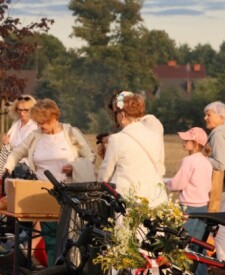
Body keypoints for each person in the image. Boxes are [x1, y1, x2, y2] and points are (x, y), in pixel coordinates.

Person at [4, 98, 95, 265]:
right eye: (38, 123)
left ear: (54, 118)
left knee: (70, 238)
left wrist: (74, 167)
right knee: (51, 239)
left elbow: (90, 156)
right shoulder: (35, 136)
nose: (40, 127)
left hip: (69, 193)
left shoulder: (70, 133)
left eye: (43, 123)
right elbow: (17, 153)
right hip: (44, 193)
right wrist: (8, 168)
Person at [98, 93, 167, 207]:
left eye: (116, 113)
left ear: (123, 115)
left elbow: (105, 175)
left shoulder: (116, 139)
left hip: (129, 200)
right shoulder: (154, 136)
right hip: (155, 199)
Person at [102, 91, 165, 177]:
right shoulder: (128, 130)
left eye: (117, 112)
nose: (115, 116)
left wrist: (114, 141)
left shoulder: (150, 121)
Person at [166, 127, 212, 242]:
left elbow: (178, 184)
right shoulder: (207, 161)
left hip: (188, 208)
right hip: (203, 208)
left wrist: (168, 183)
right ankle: (200, 260)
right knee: (198, 241)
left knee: (183, 241)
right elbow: (208, 186)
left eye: (186, 141)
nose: (183, 142)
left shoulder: (188, 160)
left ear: (195, 143)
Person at [204, 101, 225, 261]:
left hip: (219, 188)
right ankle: (224, 261)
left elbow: (221, 164)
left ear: (221, 117)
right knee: (220, 228)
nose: (205, 118)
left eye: (209, 114)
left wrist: (202, 159)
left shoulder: (218, 135)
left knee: (213, 226)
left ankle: (222, 262)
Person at [1, 94, 38, 173]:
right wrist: (6, 142)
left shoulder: (35, 127)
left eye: (26, 110)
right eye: (19, 110)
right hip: (11, 163)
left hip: (25, 166)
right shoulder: (16, 124)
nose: (22, 113)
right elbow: (9, 145)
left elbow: (27, 150)